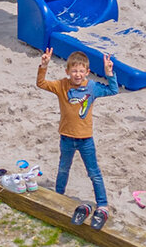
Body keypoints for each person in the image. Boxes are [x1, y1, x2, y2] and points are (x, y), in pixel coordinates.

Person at [37, 48, 117, 229]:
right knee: (63, 168)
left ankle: (102, 203)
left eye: (81, 71)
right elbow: (41, 83)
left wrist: (109, 72)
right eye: (74, 71)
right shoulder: (61, 86)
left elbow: (113, 90)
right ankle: (59, 195)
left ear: (87, 72)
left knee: (94, 173)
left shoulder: (92, 87)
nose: (78, 74)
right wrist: (44, 65)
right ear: (67, 72)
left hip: (86, 139)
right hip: (66, 137)